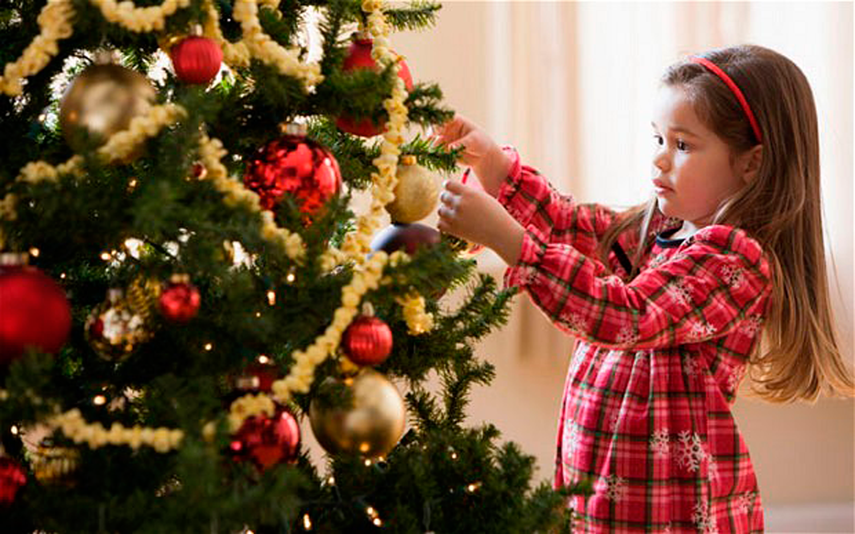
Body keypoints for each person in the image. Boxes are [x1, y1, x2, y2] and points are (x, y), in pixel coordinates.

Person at [432, 44, 854, 533]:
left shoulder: (735, 259)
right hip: (603, 489)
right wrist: (493, 168)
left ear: (751, 165)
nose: (659, 160)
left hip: (669, 508)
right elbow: (573, 227)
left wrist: (507, 239)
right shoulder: (662, 230)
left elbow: (625, 315)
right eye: (658, 138)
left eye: (682, 145)